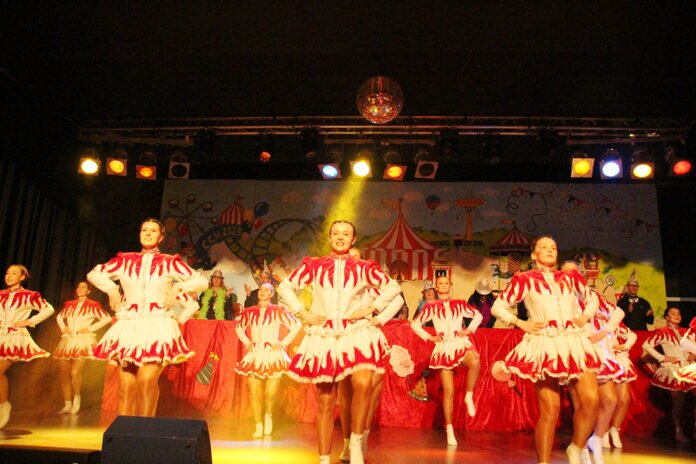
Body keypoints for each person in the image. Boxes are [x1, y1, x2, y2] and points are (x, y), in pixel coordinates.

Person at [277, 220, 401, 464]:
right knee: (325, 401)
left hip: (355, 332)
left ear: (353, 240)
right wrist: (303, 313)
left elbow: (393, 288)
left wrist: (371, 309)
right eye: (336, 233)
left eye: (346, 234)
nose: (341, 237)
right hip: (325, 336)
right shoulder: (314, 265)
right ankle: (324, 459)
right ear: (330, 237)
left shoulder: (363, 267)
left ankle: (356, 443)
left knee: (363, 382)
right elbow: (285, 287)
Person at [491, 236, 601, 464]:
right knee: (551, 409)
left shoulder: (570, 278)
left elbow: (593, 300)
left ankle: (576, 447)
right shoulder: (525, 279)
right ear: (534, 255)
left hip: (573, 341)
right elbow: (498, 306)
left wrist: (584, 317)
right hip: (545, 343)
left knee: (591, 399)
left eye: (553, 247)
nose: (550, 250)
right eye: (544, 247)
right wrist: (520, 322)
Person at [87, 218, 206, 417]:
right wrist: (111, 288)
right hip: (130, 326)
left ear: (161, 236)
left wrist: (180, 286)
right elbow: (94, 274)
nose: (148, 233)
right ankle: (124, 432)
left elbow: (201, 281)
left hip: (157, 326)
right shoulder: (125, 260)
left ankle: (144, 429)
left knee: (146, 379)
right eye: (144, 230)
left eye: (153, 230)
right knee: (125, 386)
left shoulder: (169, 262)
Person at [561, 261, 625, 464]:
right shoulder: (558, 297)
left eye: (575, 272)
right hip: (573, 350)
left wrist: (604, 332)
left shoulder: (592, 296)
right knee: (581, 403)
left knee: (610, 399)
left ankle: (596, 438)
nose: (571, 275)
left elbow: (618, 312)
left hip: (598, 353)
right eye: (566, 271)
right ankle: (579, 446)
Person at [411, 275, 482, 446]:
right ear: (436, 287)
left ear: (450, 285)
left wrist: (469, 330)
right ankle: (450, 430)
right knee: (449, 391)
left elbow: (478, 316)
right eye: (440, 284)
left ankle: (469, 395)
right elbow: (414, 324)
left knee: (475, 361)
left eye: (446, 283)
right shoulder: (431, 307)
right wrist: (429, 337)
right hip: (444, 347)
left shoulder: (459, 303)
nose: (443, 286)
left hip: (459, 342)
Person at [235, 282, 301, 438]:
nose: (263, 292)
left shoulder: (278, 310)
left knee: (270, 393)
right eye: (261, 289)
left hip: (273, 355)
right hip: (256, 355)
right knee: (254, 391)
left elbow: (296, 325)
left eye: (267, 290)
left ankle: (268, 415)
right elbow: (239, 328)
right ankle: (258, 425)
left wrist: (283, 343)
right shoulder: (249, 311)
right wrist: (247, 342)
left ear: (271, 294)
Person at [0, 264, 55, 429]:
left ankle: (3, 405)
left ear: (22, 277)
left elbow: (48, 309)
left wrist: (29, 321)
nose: (9, 276)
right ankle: (4, 404)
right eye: (7, 273)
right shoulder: (1, 294)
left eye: (14, 273)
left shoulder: (29, 296)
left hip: (14, 338)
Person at [53, 281, 111, 414]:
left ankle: (77, 399)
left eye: (83, 287)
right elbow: (59, 317)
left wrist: (90, 328)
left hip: (83, 340)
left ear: (89, 291)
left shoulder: (93, 305)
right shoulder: (70, 304)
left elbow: (107, 318)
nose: (80, 289)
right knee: (64, 373)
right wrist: (63, 328)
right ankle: (67, 403)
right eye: (78, 287)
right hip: (68, 340)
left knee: (75, 372)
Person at [641, 307, 695, 442]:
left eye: (679, 313)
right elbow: (646, 345)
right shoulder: (662, 332)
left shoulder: (686, 332)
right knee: (679, 400)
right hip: (674, 368)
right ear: (667, 317)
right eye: (672, 313)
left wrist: (693, 355)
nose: (677, 315)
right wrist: (662, 358)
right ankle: (678, 430)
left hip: (688, 367)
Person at [604, 321, 638, 449]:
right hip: (601, 358)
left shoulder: (612, 320)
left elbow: (632, 335)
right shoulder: (590, 318)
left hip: (617, 359)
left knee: (624, 399)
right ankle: (602, 431)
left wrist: (625, 346)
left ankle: (614, 429)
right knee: (607, 399)